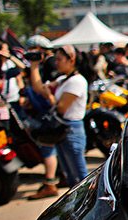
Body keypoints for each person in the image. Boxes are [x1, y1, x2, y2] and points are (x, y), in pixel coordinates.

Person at [28, 45, 88, 189]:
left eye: (60, 59)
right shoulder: (64, 79)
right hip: (62, 129)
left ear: (71, 60)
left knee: (80, 175)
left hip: (71, 128)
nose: (56, 63)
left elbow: (60, 108)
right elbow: (38, 88)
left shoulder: (76, 81)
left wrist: (49, 95)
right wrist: (34, 65)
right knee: (69, 173)